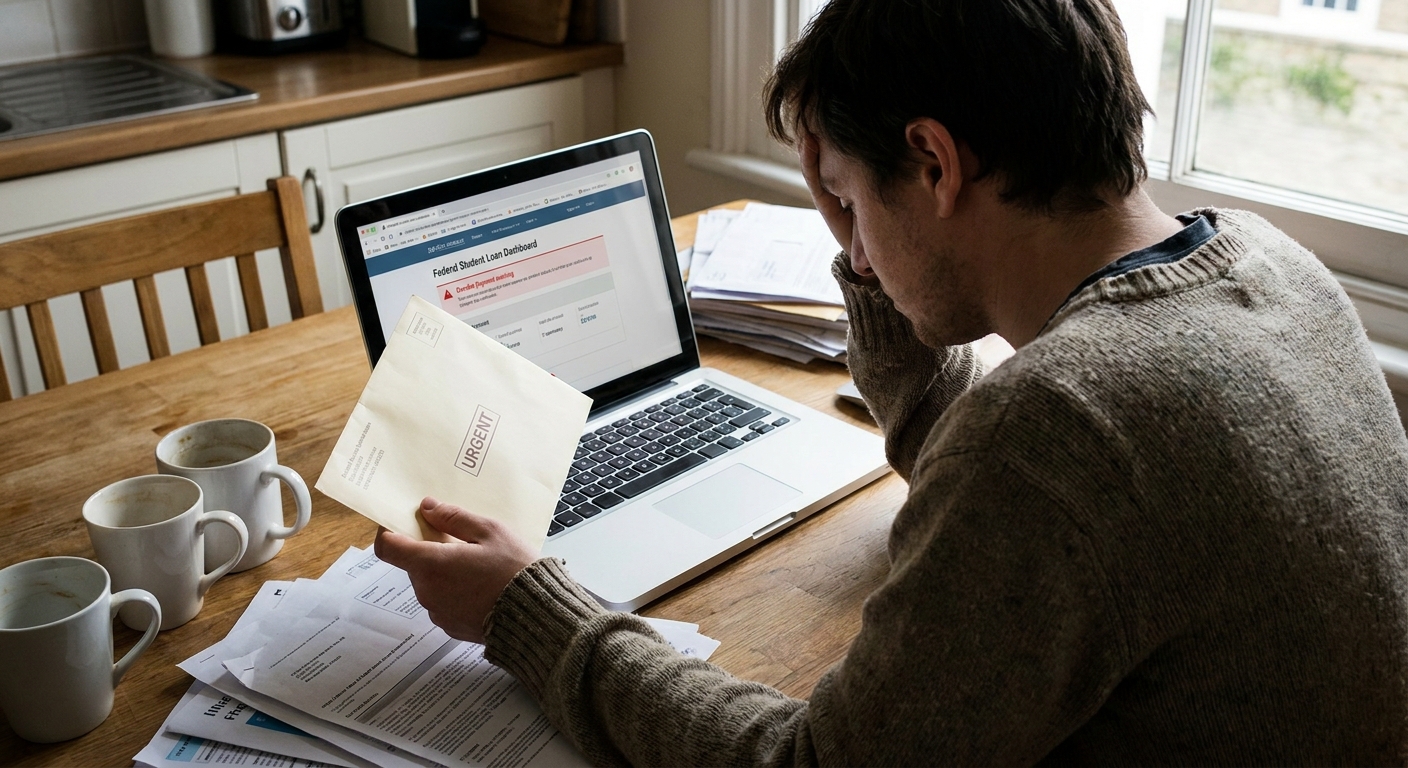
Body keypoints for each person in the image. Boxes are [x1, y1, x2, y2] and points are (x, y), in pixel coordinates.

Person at [375, 0, 1408, 762]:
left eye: (845, 198)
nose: (854, 257)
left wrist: (523, 607)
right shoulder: (1269, 265)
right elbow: (1034, 502)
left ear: (932, 162)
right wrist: (866, 239)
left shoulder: (1060, 424)